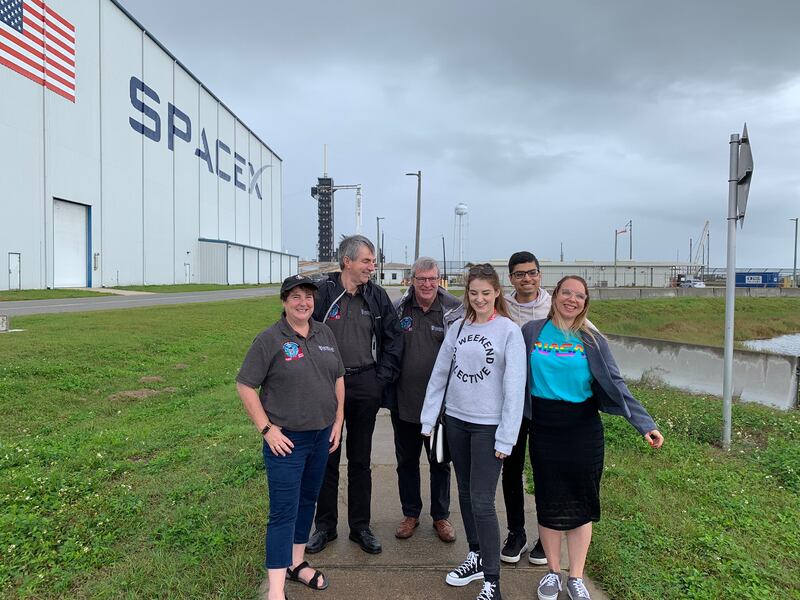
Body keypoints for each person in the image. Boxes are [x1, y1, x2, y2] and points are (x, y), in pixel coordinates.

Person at [522, 276, 664, 600]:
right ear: (555, 295)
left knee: (581, 503)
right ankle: (552, 574)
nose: (572, 300)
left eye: (579, 296)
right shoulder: (531, 333)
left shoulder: (592, 339)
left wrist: (644, 424)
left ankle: (575, 577)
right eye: (566, 293)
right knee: (548, 501)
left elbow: (616, 383)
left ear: (585, 303)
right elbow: (510, 378)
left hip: (583, 429)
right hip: (544, 429)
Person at [420, 263, 526, 600]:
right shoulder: (459, 327)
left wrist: (507, 436)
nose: (479, 298)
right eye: (473, 292)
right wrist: (429, 418)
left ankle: (493, 581)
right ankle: (476, 556)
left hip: (488, 427)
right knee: (464, 493)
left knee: (482, 501)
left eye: (485, 292)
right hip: (456, 422)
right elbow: (440, 374)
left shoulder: (509, 331)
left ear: (496, 292)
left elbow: (514, 387)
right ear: (467, 294)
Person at [236, 274, 345, 600]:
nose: (303, 302)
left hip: (321, 436)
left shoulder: (324, 332)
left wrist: (338, 421)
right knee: (283, 511)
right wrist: (267, 430)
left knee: (307, 502)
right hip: (287, 442)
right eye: (295, 297)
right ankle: (276, 590)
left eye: (308, 296)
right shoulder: (270, 339)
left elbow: (338, 377)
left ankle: (296, 564)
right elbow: (245, 385)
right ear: (284, 302)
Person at [306, 235, 403, 555]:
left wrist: (380, 379)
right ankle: (325, 526)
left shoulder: (376, 296)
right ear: (346, 261)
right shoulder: (322, 294)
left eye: (373, 262)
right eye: (366, 261)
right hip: (325, 386)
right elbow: (299, 329)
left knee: (360, 460)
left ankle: (360, 526)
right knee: (326, 457)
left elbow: (393, 339)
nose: (372, 267)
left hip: (364, 385)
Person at [387, 257, 464, 543]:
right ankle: (410, 514)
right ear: (412, 280)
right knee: (406, 461)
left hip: (441, 408)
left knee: (440, 462)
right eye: (421, 279)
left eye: (432, 279)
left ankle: (440, 517)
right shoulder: (399, 309)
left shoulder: (454, 310)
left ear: (439, 279)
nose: (427, 284)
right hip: (405, 403)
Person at [500, 251, 551, 565]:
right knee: (511, 469)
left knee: (546, 471)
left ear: (539, 274)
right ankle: (516, 532)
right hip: (511, 404)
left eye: (532, 273)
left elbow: (590, 337)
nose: (527, 279)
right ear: (511, 278)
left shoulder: (555, 305)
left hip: (546, 403)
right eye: (520, 274)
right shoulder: (501, 307)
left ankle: (547, 536)